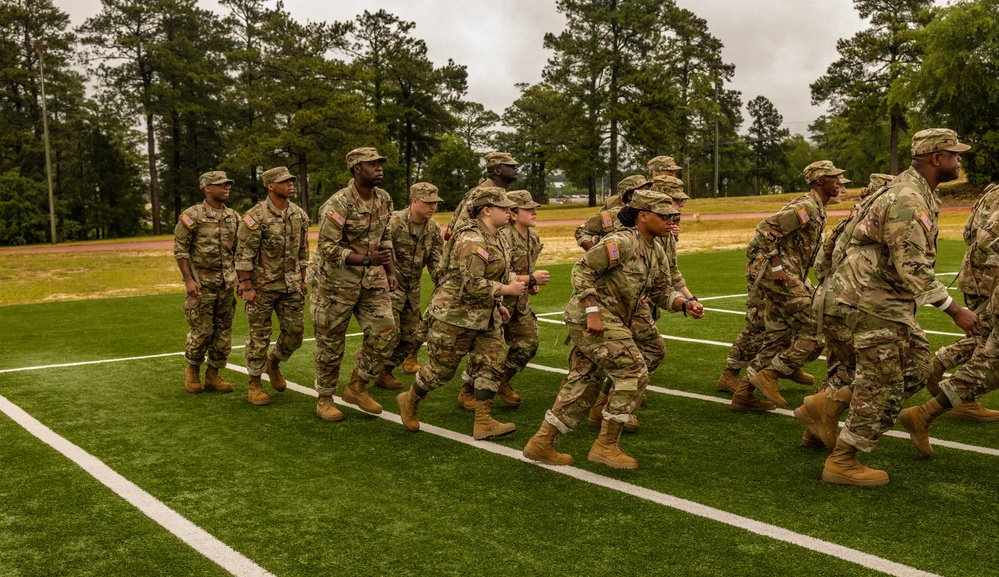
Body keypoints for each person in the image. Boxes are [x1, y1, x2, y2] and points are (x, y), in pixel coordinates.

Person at [800, 128, 978, 486]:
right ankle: (843, 460)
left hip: (881, 301)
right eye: (954, 154)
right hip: (869, 301)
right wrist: (954, 309)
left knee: (916, 368)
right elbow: (911, 264)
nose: (959, 161)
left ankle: (828, 404)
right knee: (883, 380)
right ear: (936, 158)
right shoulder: (908, 199)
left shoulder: (914, 192)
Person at [522, 190, 696, 470]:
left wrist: (683, 304)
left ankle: (541, 442)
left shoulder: (655, 249)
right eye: (664, 215)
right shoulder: (621, 241)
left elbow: (662, 289)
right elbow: (582, 268)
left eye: (672, 215)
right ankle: (605, 445)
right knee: (632, 368)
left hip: (612, 320)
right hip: (591, 319)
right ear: (643, 216)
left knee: (584, 382)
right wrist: (592, 310)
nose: (671, 220)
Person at [395, 187, 527, 440]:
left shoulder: (498, 236)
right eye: (504, 208)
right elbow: (472, 283)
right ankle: (410, 400)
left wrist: (498, 302)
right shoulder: (471, 240)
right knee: (440, 371)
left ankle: (484, 421)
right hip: (455, 316)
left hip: (485, 315)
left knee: (492, 363)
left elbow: (492, 276)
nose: (510, 212)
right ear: (487, 210)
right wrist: (507, 289)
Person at [734, 161, 844, 411]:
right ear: (819, 181)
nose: (839, 181)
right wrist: (775, 264)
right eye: (833, 177)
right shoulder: (805, 207)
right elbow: (765, 230)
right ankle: (771, 374)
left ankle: (744, 393)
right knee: (814, 331)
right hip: (778, 275)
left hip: (787, 274)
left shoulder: (818, 207)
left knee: (779, 334)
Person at [795, 173, 891, 449]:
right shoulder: (872, 222)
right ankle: (825, 416)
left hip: (831, 302)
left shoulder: (849, 219)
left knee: (843, 368)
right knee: (871, 368)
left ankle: (813, 430)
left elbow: (823, 262)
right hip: (852, 305)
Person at [310, 148, 398, 421]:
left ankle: (356, 387)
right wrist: (364, 259)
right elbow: (326, 248)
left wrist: (390, 271)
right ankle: (325, 398)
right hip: (336, 285)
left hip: (372, 282)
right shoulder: (338, 204)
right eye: (373, 165)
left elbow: (385, 238)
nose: (380, 168)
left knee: (386, 332)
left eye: (380, 164)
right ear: (357, 169)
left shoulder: (384, 199)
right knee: (331, 344)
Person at [922, 182, 999, 421]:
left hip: (978, 274)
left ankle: (939, 367)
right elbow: (988, 239)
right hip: (986, 277)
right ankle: (962, 399)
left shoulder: (991, 191)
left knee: (983, 334)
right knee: (987, 339)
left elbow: (968, 232)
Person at [235, 166, 310, 406]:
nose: (291, 184)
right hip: (262, 287)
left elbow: (303, 250)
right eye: (285, 181)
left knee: (296, 334)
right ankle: (255, 384)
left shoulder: (299, 214)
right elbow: (244, 254)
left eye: (291, 180)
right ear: (270, 186)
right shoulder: (256, 216)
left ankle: (274, 362)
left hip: (290, 286)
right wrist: (246, 286)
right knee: (259, 337)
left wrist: (303, 277)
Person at [174, 170, 239, 394]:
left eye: (227, 184)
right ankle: (192, 370)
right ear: (207, 188)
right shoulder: (193, 215)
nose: (226, 187)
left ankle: (213, 375)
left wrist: (240, 279)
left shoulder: (233, 216)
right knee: (203, 331)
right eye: (220, 185)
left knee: (223, 333)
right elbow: (180, 250)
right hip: (202, 284)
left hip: (226, 284)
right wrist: (188, 280)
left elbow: (238, 250)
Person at [379, 182, 445, 390]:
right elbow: (381, 253)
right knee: (390, 334)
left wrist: (444, 281)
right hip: (390, 287)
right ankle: (367, 363)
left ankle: (384, 372)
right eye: (428, 202)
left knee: (409, 338)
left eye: (435, 202)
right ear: (414, 201)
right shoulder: (394, 223)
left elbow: (436, 260)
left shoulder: (433, 228)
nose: (432, 207)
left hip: (412, 289)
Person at [493, 189, 550, 407]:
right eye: (528, 209)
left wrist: (530, 283)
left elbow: (527, 269)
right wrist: (530, 278)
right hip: (498, 303)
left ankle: (502, 382)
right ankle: (469, 391)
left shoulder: (532, 237)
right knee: (489, 352)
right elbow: (496, 273)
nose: (534, 212)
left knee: (528, 344)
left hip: (520, 304)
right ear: (513, 214)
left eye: (534, 208)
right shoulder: (502, 237)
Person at [444, 152, 519, 239]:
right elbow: (460, 228)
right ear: (497, 171)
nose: (515, 168)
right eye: (510, 165)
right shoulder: (481, 193)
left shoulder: (497, 191)